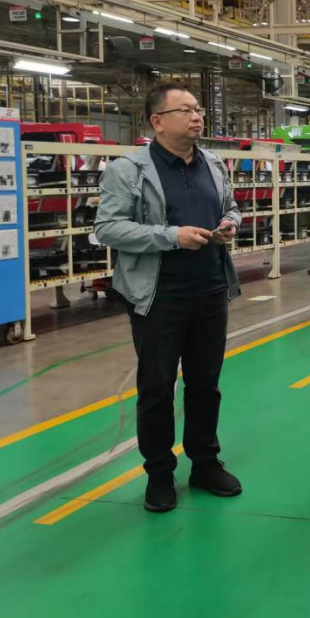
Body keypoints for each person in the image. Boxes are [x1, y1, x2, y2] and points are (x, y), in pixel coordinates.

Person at [94, 86, 242, 513]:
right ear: (157, 121)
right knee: (157, 388)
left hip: (211, 289)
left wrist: (230, 223)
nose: (197, 116)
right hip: (158, 296)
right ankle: (159, 473)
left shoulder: (213, 163)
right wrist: (171, 236)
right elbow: (108, 228)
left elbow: (232, 206)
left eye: (198, 109)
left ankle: (205, 463)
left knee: (205, 386)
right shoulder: (128, 170)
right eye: (186, 110)